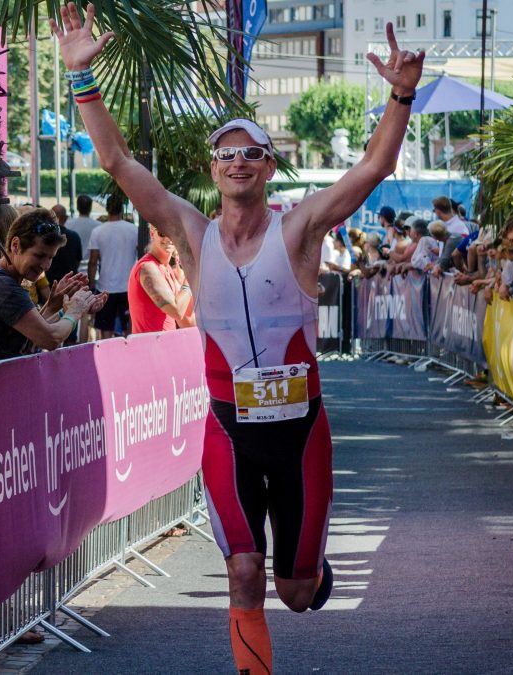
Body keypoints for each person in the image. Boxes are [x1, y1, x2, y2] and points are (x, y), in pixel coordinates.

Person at [52, 5, 423, 672]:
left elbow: (371, 169)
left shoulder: (300, 229)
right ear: (213, 167)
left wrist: (400, 95)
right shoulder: (190, 235)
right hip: (229, 430)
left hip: (302, 431)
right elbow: (115, 159)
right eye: (226, 153)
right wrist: (82, 75)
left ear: (269, 166)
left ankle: (308, 568)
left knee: (296, 590)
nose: (237, 162)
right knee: (245, 573)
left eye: (251, 152)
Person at [0, 208, 104, 362]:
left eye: (50, 257)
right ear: (15, 245)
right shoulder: (4, 288)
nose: (46, 265)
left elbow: (32, 331)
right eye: (39, 255)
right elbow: (50, 339)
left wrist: (55, 306)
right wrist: (75, 311)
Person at [87, 193, 137, 338]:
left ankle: (107, 359)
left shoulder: (98, 232)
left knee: (106, 330)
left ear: (107, 209)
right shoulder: (133, 230)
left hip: (105, 287)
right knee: (129, 328)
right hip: (128, 286)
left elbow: (93, 262)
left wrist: (91, 286)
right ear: (121, 209)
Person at [128, 223, 194, 333]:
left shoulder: (165, 268)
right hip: (150, 348)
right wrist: (190, 277)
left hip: (164, 345)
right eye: (162, 233)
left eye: (173, 233)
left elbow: (186, 319)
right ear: (152, 233)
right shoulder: (148, 268)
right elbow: (177, 311)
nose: (168, 238)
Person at [47, 203, 83, 285]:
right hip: (70, 283)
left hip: (49, 283)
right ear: (66, 218)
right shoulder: (74, 236)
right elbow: (78, 260)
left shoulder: (45, 236)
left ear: (49, 218)